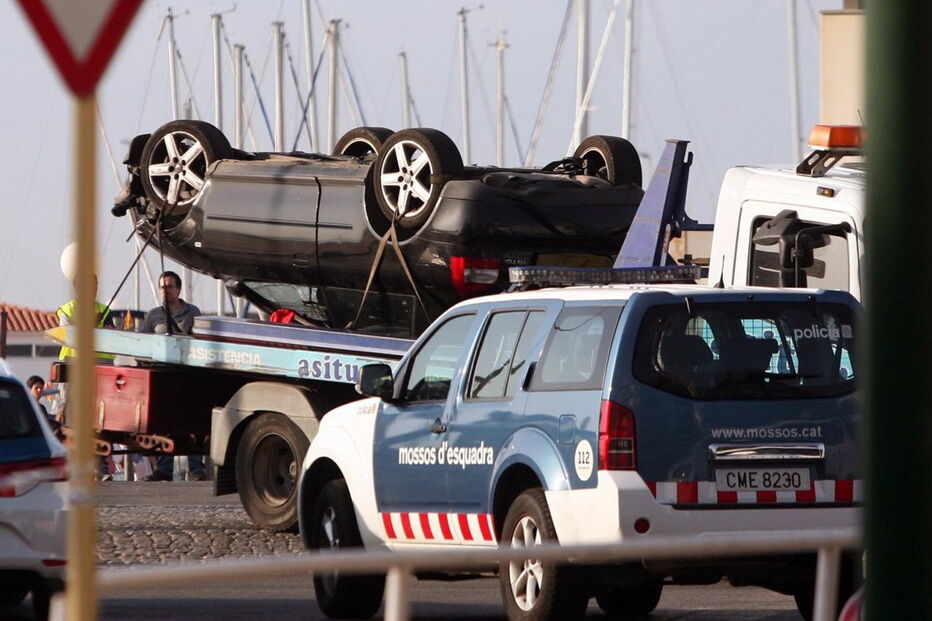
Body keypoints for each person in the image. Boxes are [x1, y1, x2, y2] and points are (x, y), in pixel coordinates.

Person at [141, 271, 208, 481]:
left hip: (188, 374)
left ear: (178, 289)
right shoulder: (153, 315)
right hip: (163, 375)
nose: (165, 291)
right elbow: (143, 342)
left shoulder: (192, 312)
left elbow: (201, 339)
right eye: (162, 287)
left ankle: (196, 468)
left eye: (169, 286)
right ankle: (164, 468)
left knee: (192, 421)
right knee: (164, 423)